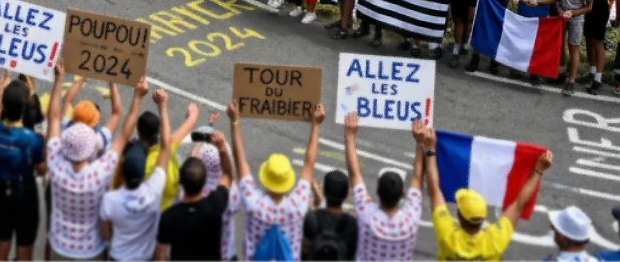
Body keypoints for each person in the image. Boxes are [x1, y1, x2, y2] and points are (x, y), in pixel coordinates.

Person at [47, 64, 146, 262]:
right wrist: (138, 97)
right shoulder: (100, 172)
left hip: (59, 246)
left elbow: (54, 117)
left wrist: (58, 81)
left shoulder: (55, 163)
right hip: (91, 249)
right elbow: (125, 133)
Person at [227, 94, 323, 261]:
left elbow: (239, 160)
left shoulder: (253, 202)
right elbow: (309, 163)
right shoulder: (298, 203)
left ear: (266, 178)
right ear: (288, 181)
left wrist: (235, 121)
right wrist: (316, 125)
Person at [427, 145, 552, 262]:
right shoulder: (495, 240)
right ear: (483, 218)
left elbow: (434, 190)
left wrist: (430, 148)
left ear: (459, 215)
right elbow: (519, 204)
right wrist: (539, 170)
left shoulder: (447, 234)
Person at [100, 87, 175, 262]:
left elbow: (105, 234)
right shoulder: (153, 191)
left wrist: (138, 96)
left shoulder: (110, 200)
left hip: (118, 256)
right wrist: (163, 106)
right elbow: (166, 147)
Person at [342, 113, 426, 262]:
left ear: (377, 193)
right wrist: (420, 142)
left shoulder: (367, 215)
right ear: (402, 194)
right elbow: (417, 178)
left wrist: (349, 135)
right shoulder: (409, 220)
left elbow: (354, 174)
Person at [0, 73, 44, 262]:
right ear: (26, 105)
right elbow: (41, 170)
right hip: (24, 193)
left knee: (2, 244)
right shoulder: (31, 139)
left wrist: (0, 90)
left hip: (0, 189)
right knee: (24, 249)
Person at [155, 130, 234, 262]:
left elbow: (159, 257)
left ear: (180, 180)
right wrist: (222, 149)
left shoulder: (169, 216)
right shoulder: (216, 205)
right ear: (204, 181)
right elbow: (227, 175)